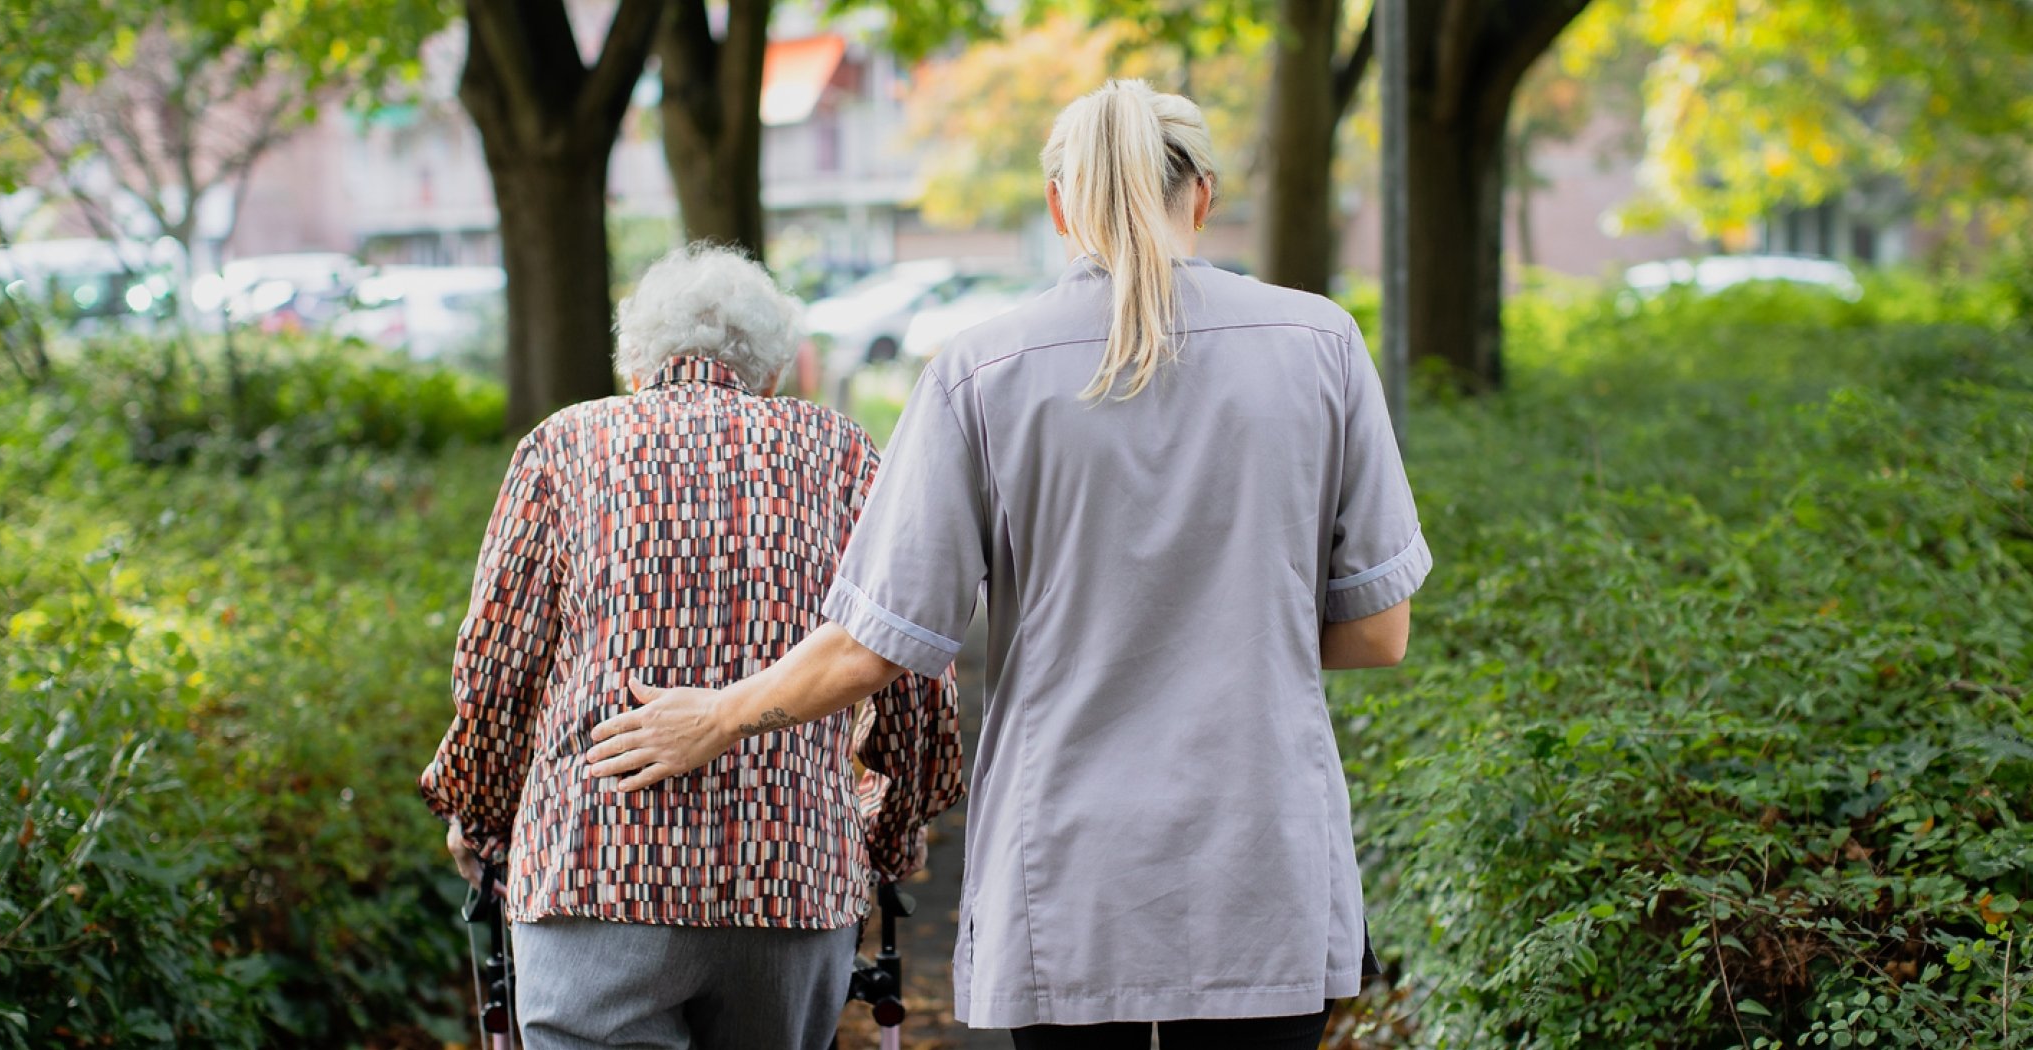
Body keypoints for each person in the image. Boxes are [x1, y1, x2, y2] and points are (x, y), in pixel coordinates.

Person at [585, 80, 1429, 1050]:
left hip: (1067, 863)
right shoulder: (1320, 345)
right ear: (1200, 193)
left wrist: (715, 714)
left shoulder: (980, 368)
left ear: (1058, 204)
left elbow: (877, 643)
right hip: (1260, 856)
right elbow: (1376, 632)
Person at [420, 246, 964, 1050]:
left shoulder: (565, 447)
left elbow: (499, 665)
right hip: (790, 871)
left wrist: (481, 815)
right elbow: (910, 668)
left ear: (632, 364)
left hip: (592, 868)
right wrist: (891, 826)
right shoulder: (842, 454)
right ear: (774, 371)